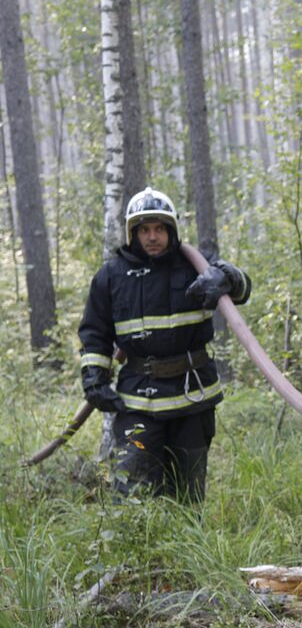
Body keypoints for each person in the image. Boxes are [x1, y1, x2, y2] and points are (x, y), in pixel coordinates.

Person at [78, 187, 251, 503]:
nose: (152, 237)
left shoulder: (195, 265)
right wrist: (94, 380)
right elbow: (94, 332)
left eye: (159, 228)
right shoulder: (111, 276)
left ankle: (189, 550)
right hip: (138, 407)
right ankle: (137, 549)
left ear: (171, 230)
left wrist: (227, 277)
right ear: (134, 232)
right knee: (132, 488)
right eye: (144, 229)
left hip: (191, 400)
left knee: (188, 493)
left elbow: (241, 288)